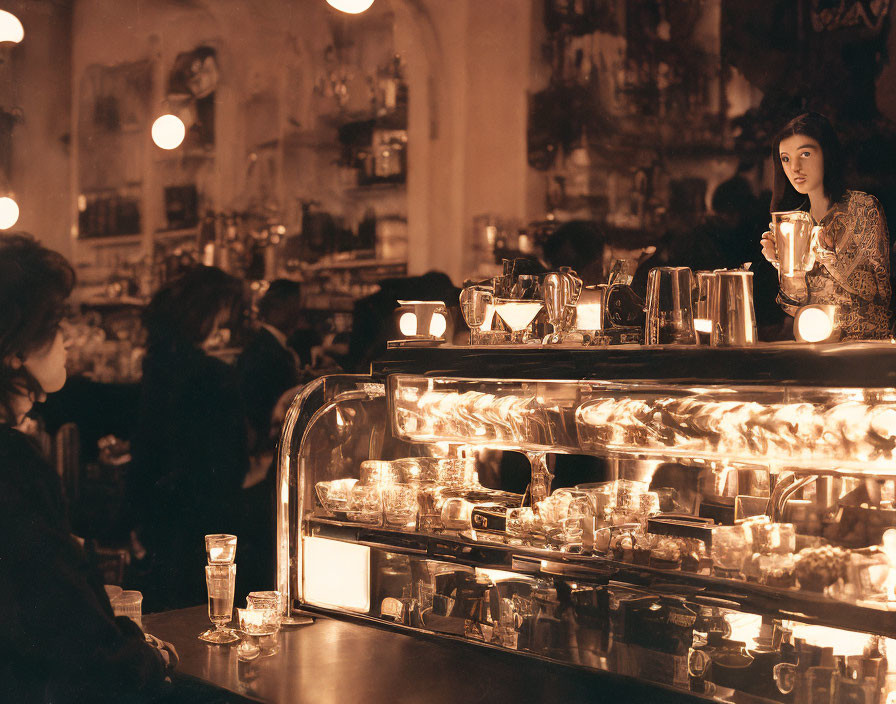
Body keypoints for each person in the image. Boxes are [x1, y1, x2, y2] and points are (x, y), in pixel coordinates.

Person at [0, 234, 177, 703]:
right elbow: (64, 634)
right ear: (15, 348)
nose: (67, 341)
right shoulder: (13, 463)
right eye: (55, 324)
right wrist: (146, 659)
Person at [129, 265, 249, 611]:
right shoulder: (214, 377)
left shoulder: (158, 365)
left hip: (162, 509)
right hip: (203, 516)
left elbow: (147, 443)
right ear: (206, 313)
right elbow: (230, 465)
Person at [760, 112, 891, 339]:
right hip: (814, 346)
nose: (795, 167)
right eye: (786, 159)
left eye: (806, 154)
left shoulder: (863, 208)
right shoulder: (796, 222)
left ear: (827, 154)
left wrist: (828, 255)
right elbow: (794, 306)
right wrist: (784, 266)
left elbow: (877, 292)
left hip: (864, 348)